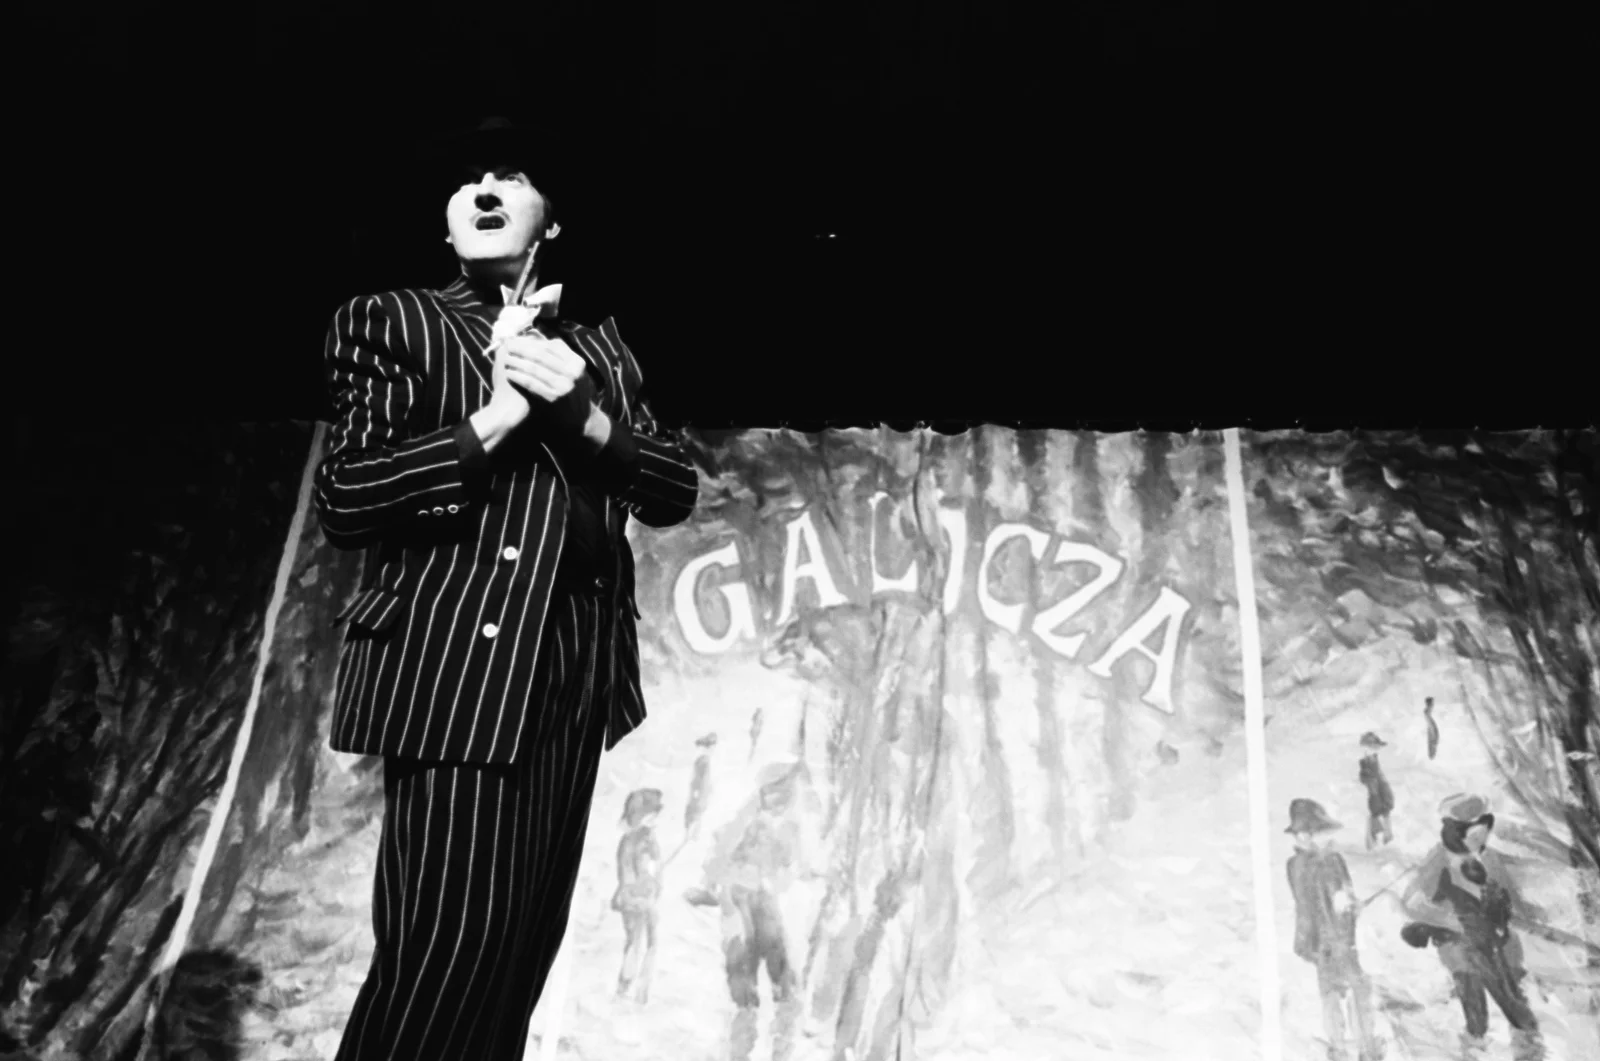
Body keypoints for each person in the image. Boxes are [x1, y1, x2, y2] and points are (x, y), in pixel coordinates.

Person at [314, 115, 701, 1060]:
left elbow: (674, 488)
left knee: (515, 967)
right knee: (444, 960)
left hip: (576, 673)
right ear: (446, 223)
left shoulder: (601, 352)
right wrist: (494, 420)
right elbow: (347, 494)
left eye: (510, 176)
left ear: (551, 221)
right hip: (459, 668)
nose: (484, 190)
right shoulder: (396, 320)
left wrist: (586, 416)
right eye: (465, 181)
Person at [687, 760, 819, 1061]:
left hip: (764, 899)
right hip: (739, 897)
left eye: (787, 792)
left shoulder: (789, 825)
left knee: (781, 973)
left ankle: (781, 1041)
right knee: (742, 973)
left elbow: (791, 863)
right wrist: (712, 883)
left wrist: (787, 874)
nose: (783, 798)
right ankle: (742, 1042)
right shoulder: (748, 817)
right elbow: (722, 850)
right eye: (778, 792)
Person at [1399, 794, 1545, 1061]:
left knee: (1513, 1000)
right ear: (1457, 833)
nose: (1480, 839)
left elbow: (1511, 895)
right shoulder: (1440, 860)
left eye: (1484, 833)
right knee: (1474, 1004)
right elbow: (1412, 902)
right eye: (1474, 834)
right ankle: (1475, 1051)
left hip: (1499, 944)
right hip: (1461, 948)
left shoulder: (1490, 859)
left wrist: (1530, 914)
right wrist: (1453, 920)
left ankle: (1529, 1050)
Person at [1284, 798, 1384, 1061]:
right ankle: (1367, 1049)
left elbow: (1309, 903)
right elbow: (1339, 902)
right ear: (1307, 835)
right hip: (1338, 938)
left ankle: (1338, 1048)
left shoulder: (1293, 865)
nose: (1328, 838)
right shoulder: (1330, 862)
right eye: (1321, 832)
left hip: (1315, 941)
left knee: (1330, 992)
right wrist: (1353, 906)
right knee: (1358, 989)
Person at [613, 788, 665, 1003]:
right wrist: (644, 889)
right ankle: (629, 987)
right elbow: (632, 873)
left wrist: (654, 885)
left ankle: (637, 990)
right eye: (653, 815)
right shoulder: (636, 841)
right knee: (638, 943)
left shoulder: (643, 839)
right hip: (637, 900)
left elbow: (653, 869)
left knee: (644, 943)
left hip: (642, 899)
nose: (656, 819)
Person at [1358, 732, 1395, 850]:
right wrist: (1372, 785)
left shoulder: (1372, 759)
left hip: (1379, 789)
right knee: (1377, 809)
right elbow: (1365, 778)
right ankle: (1374, 838)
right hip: (1375, 790)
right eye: (1375, 746)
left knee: (1385, 806)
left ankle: (1384, 836)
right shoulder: (1366, 762)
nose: (1377, 748)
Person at [685, 732, 718, 837]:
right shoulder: (703, 761)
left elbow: (706, 779)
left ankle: (693, 833)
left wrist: (710, 789)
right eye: (712, 746)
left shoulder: (705, 760)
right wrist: (696, 792)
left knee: (699, 812)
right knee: (695, 812)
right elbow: (698, 780)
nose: (713, 749)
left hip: (702, 792)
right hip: (699, 793)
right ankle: (690, 833)